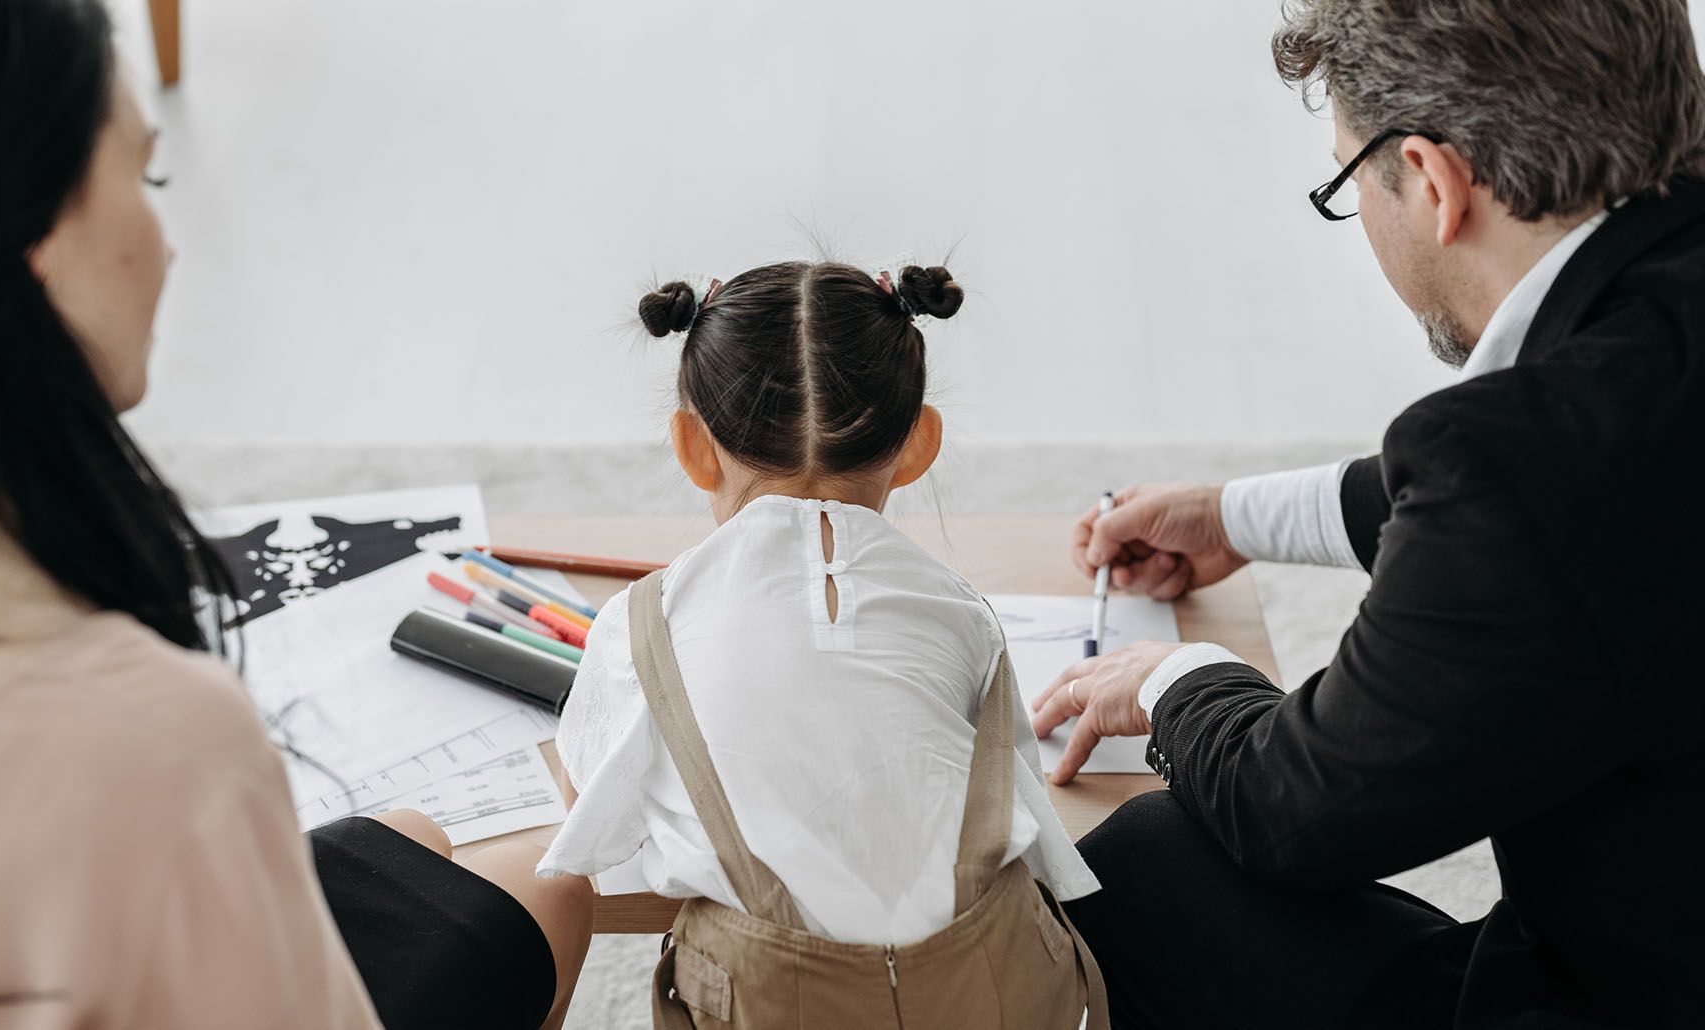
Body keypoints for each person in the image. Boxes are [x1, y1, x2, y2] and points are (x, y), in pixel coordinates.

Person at [0, 1, 589, 1027]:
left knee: (414, 836)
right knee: (551, 885)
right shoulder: (158, 735)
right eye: (146, 178)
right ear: (38, 235)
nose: (166, 247)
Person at [1029, 1, 1705, 1026]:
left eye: (1348, 179)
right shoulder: (1632, 365)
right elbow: (1568, 494)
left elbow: (1297, 811)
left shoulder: (1522, 464)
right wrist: (1233, 515)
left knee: (1141, 861)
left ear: (1431, 182)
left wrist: (1174, 680)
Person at [536, 264, 1106, 1026]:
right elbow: (1015, 810)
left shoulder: (644, 621)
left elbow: (593, 813)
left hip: (770, 1000)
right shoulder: (962, 611)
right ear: (919, 444)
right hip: (990, 992)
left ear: (691, 447)